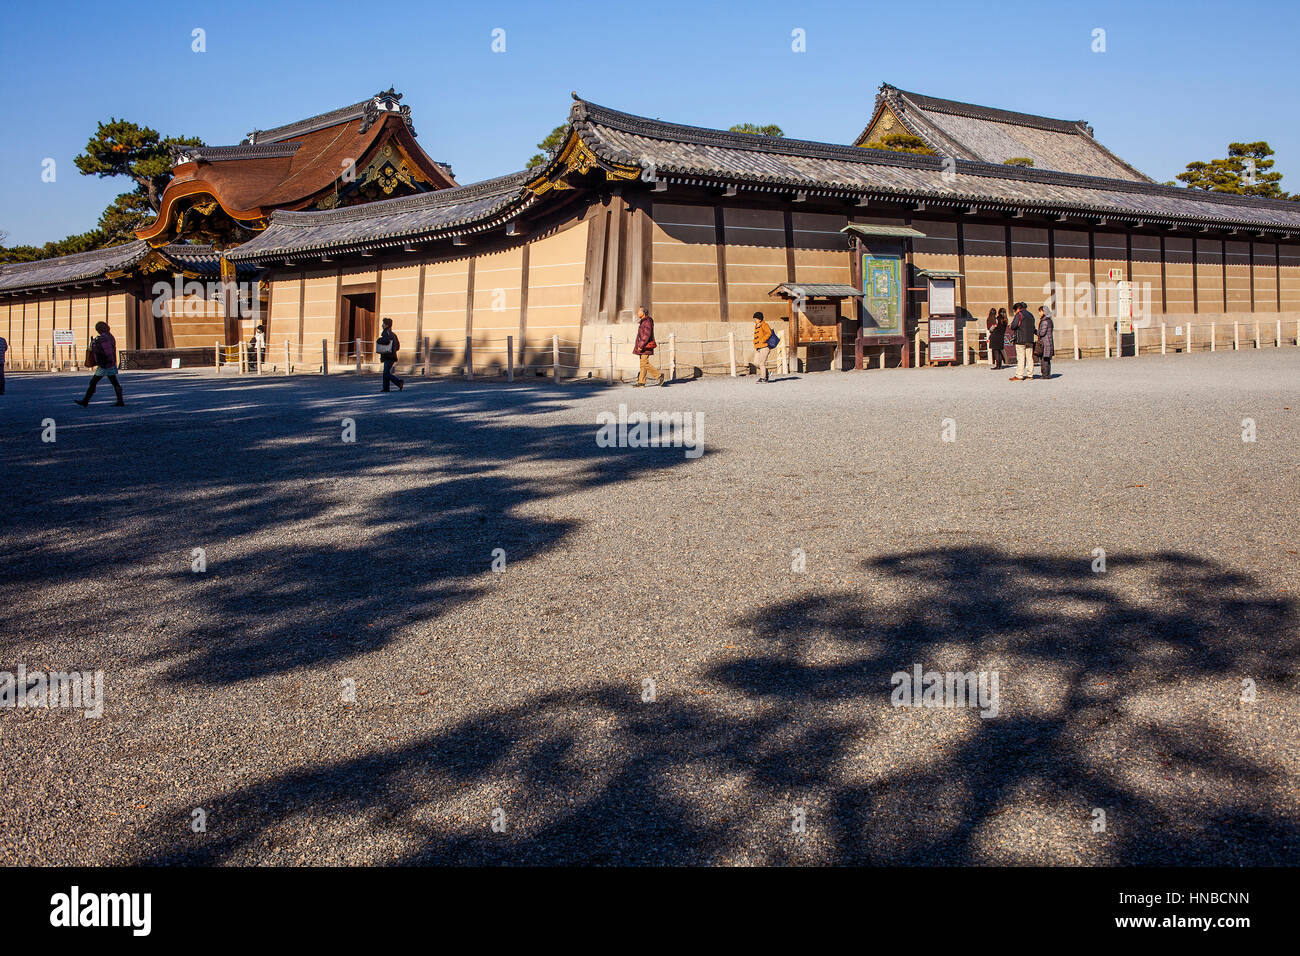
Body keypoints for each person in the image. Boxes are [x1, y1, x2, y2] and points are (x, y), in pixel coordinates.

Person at [75, 321, 124, 407]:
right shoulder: (110, 336)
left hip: (105, 364)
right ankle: (120, 401)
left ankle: (85, 401)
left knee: (93, 382)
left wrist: (94, 343)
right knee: (114, 382)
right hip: (110, 363)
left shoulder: (103, 338)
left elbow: (104, 350)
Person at [632, 306, 665, 387]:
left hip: (645, 346)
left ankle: (659, 375)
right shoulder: (643, 321)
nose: (637, 313)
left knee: (645, 363)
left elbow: (646, 335)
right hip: (643, 346)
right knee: (642, 365)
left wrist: (641, 345)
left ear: (643, 313)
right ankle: (641, 382)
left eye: (639, 311)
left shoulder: (647, 321)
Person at [1008, 302, 1036, 381]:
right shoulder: (1031, 315)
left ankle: (1019, 375)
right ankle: (1030, 375)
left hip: (1020, 339)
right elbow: (1033, 328)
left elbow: (1014, 325)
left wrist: (1011, 326)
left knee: (1021, 358)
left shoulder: (1019, 314)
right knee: (1030, 357)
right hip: (1030, 339)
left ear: (1018, 309)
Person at [376, 317, 403, 391]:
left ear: (386, 325)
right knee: (386, 372)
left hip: (388, 356)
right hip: (392, 356)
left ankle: (399, 382)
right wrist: (393, 350)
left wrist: (379, 340)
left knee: (386, 373)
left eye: (383, 324)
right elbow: (397, 346)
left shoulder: (386, 333)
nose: (382, 325)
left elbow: (386, 340)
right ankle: (386, 388)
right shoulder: (393, 334)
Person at [752, 311, 777, 383]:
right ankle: (766, 373)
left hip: (764, 347)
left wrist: (762, 340)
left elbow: (768, 333)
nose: (754, 320)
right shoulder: (756, 326)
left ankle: (763, 378)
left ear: (760, 319)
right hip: (758, 347)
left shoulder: (765, 325)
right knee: (756, 363)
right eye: (754, 319)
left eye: (755, 319)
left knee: (762, 363)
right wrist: (755, 342)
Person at [1036, 305, 1055, 379]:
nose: (1039, 313)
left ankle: (1045, 375)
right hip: (1048, 341)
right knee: (1047, 359)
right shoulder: (1049, 320)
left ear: (1044, 312)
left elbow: (1042, 333)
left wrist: (1035, 332)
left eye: (1040, 311)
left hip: (1045, 342)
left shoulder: (1045, 321)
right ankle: (1047, 374)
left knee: (1044, 359)